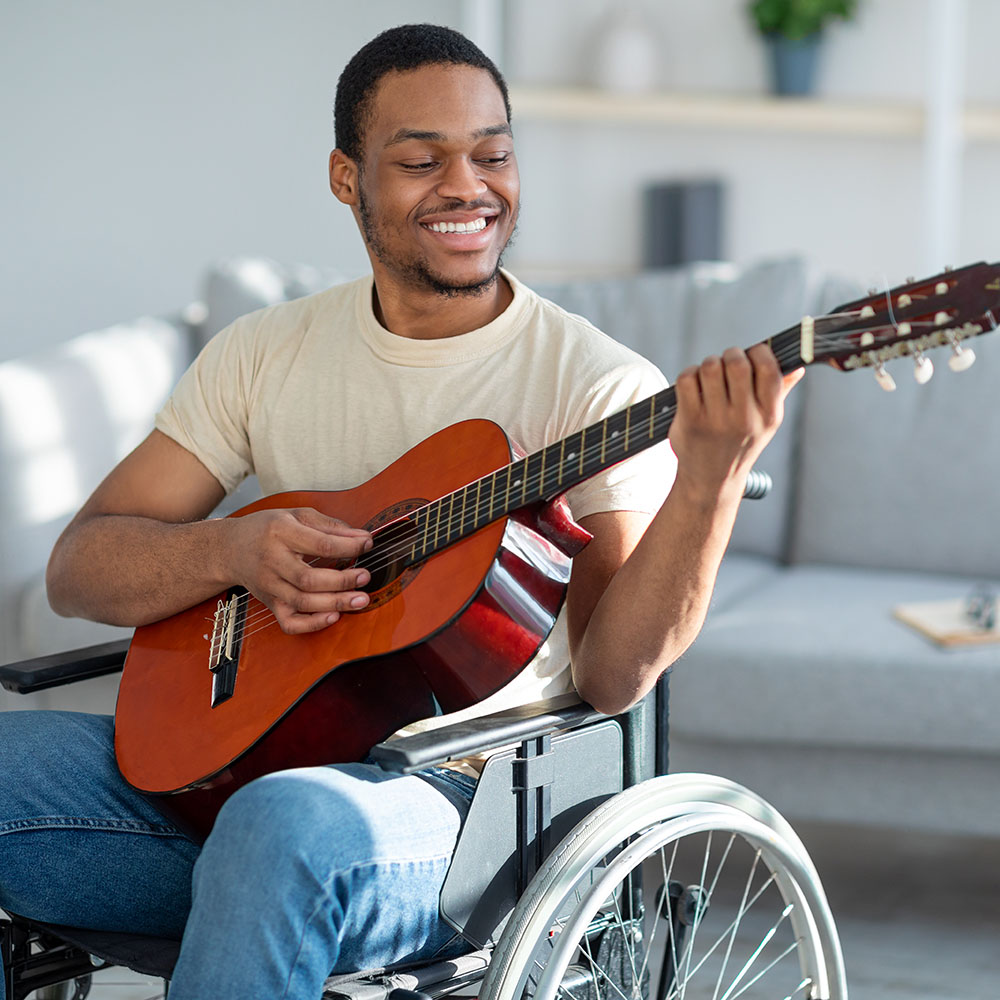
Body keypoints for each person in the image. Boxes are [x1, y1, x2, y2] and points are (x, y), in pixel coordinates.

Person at [0, 23, 800, 1000]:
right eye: (422, 159)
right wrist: (234, 549)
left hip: (463, 825)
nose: (467, 186)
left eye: (492, 153)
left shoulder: (591, 386)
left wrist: (710, 482)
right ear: (347, 178)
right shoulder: (265, 352)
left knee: (282, 827)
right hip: (236, 779)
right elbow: (84, 567)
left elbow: (613, 672)